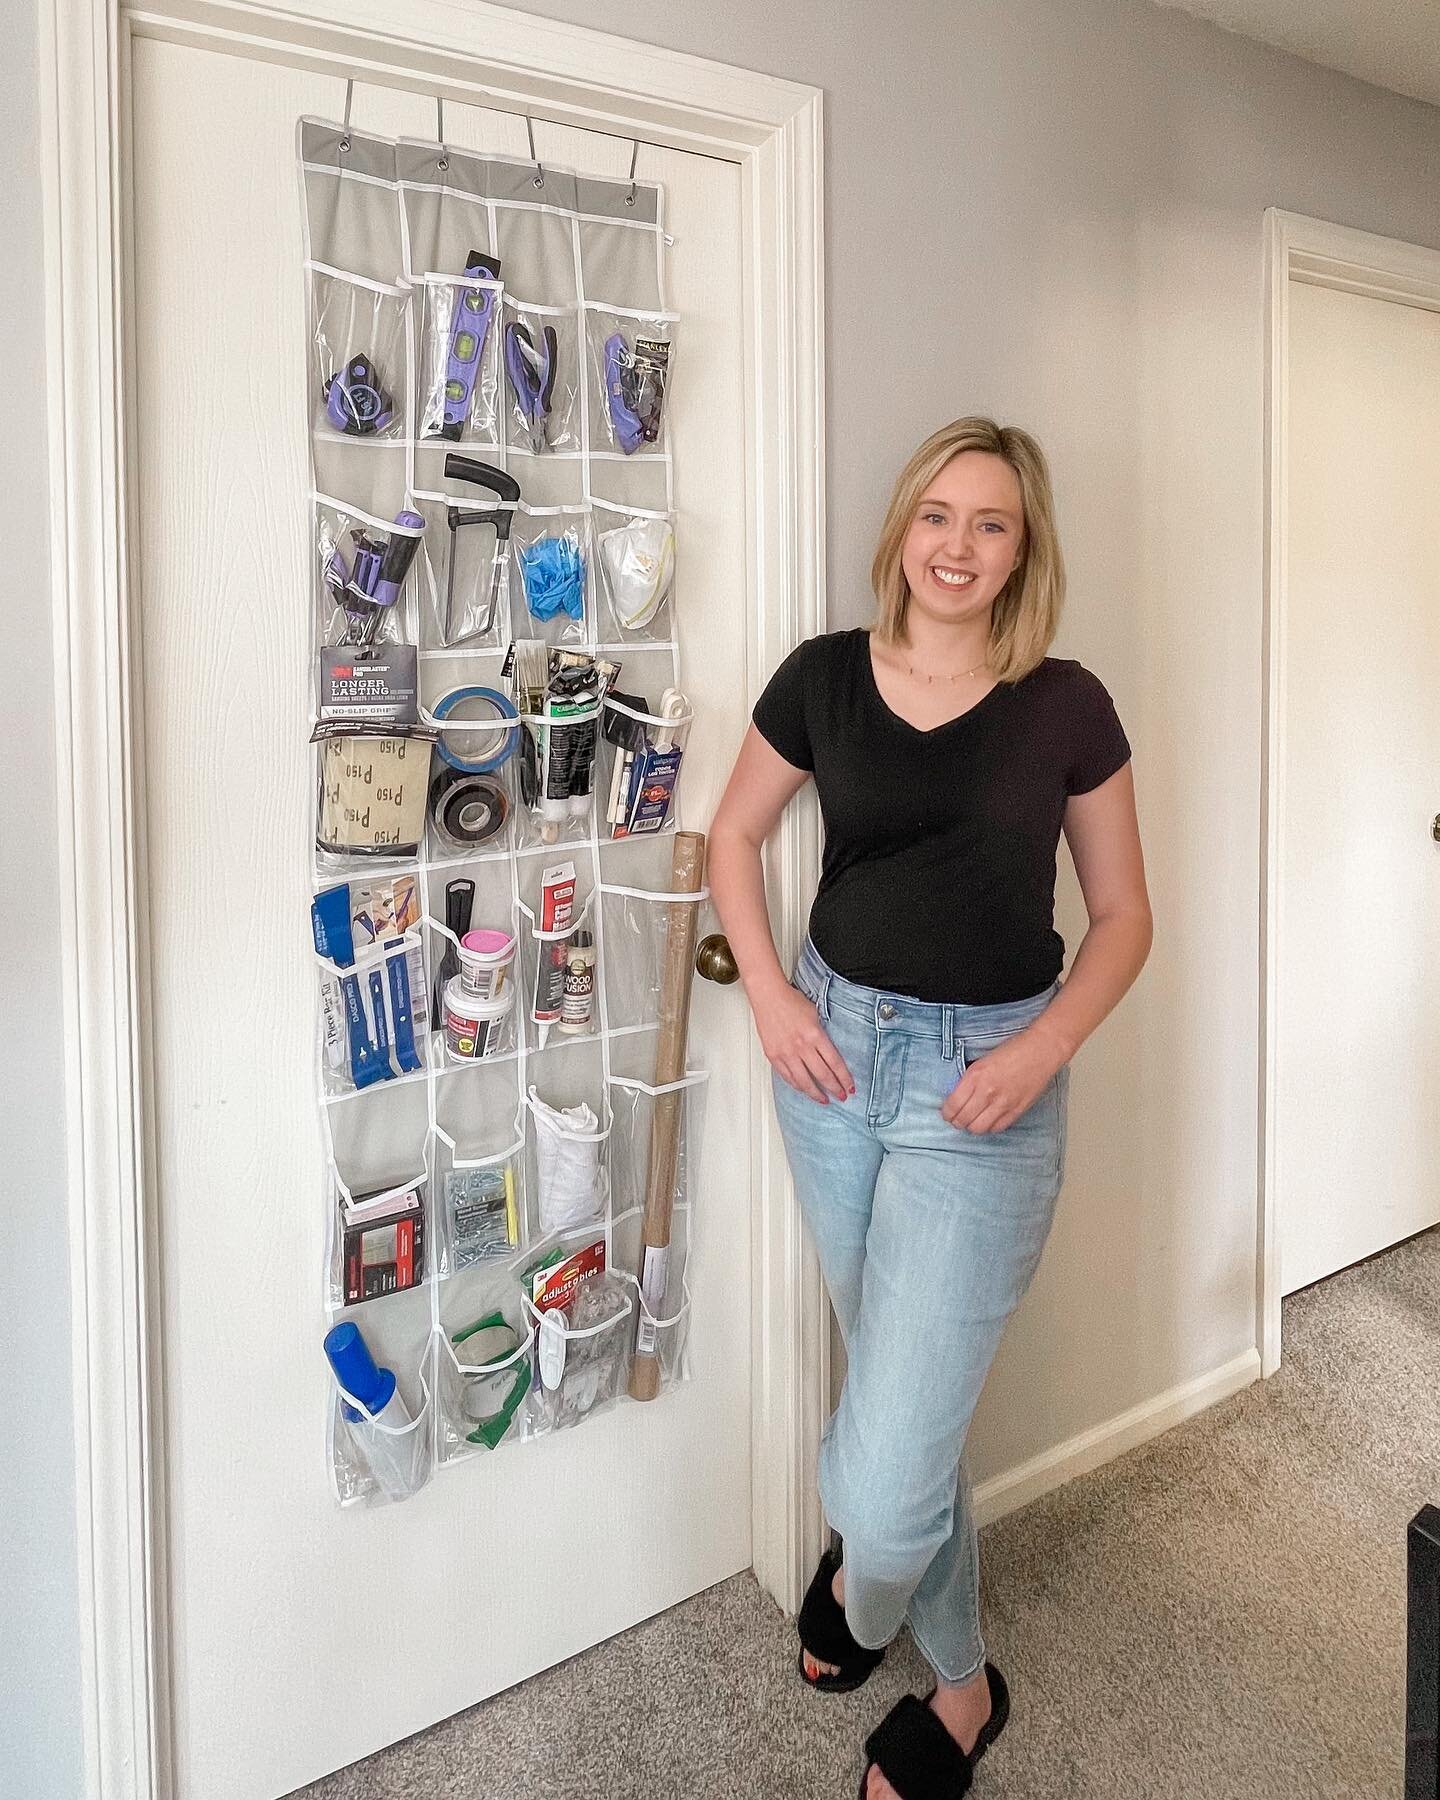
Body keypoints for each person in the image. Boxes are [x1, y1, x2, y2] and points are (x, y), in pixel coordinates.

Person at [707, 417, 1152, 1799]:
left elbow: (1127, 917)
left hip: (987, 1092)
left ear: (1027, 550)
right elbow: (729, 835)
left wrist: (1048, 1046)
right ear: (903, 527)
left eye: (993, 524)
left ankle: (866, 1574)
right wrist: (776, 1001)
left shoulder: (1067, 703)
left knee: (888, 1475)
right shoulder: (825, 680)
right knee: (904, 1401)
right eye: (939, 517)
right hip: (835, 1068)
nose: (959, 547)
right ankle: (963, 1690)